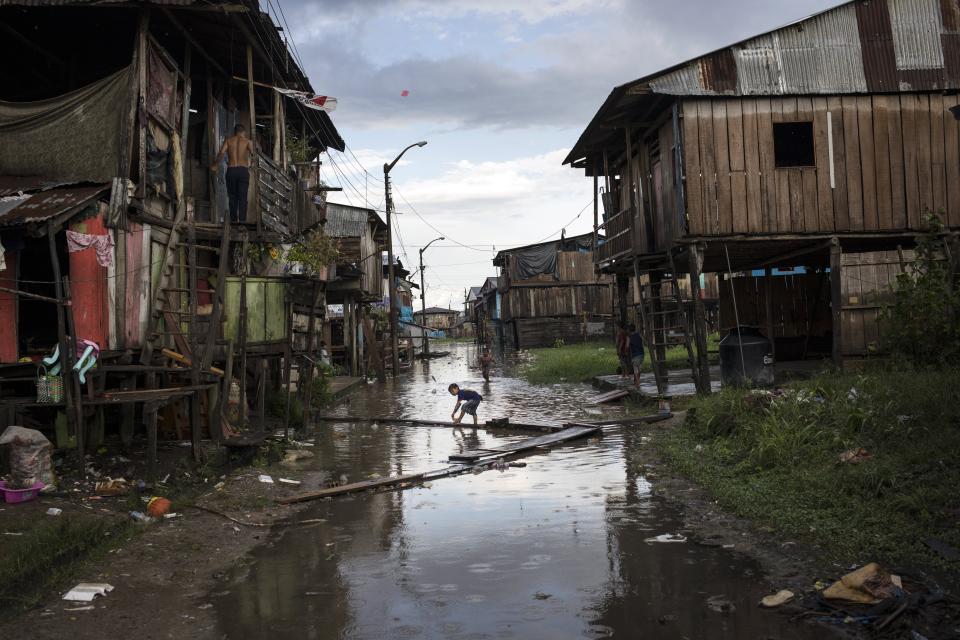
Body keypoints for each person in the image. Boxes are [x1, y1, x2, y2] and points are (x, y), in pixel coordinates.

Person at [211, 124, 255, 224]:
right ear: (243, 132)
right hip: (243, 171)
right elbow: (254, 155)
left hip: (231, 170)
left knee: (232, 197)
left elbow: (221, 153)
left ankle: (234, 222)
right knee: (243, 197)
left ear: (235, 132)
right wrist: (251, 165)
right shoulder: (248, 141)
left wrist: (215, 165)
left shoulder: (229, 140)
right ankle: (242, 222)